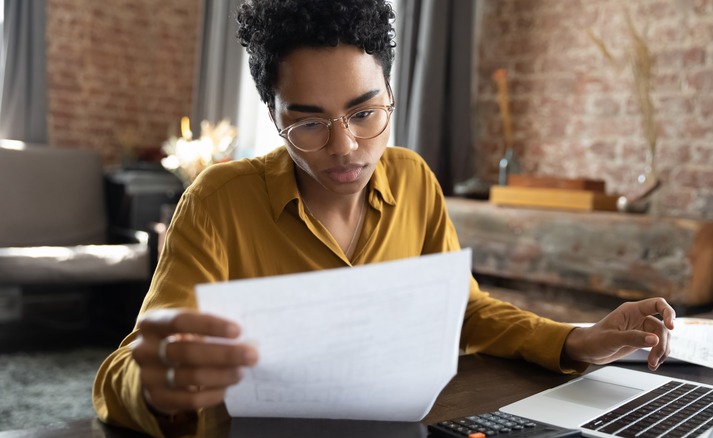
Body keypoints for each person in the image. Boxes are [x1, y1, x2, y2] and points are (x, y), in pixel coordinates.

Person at [92, 0, 675, 436]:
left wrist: (577, 341)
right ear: (274, 119)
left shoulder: (415, 179)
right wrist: (158, 386)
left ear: (391, 94)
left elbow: (465, 312)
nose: (346, 147)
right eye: (309, 122)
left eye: (365, 111)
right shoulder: (219, 201)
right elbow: (127, 367)